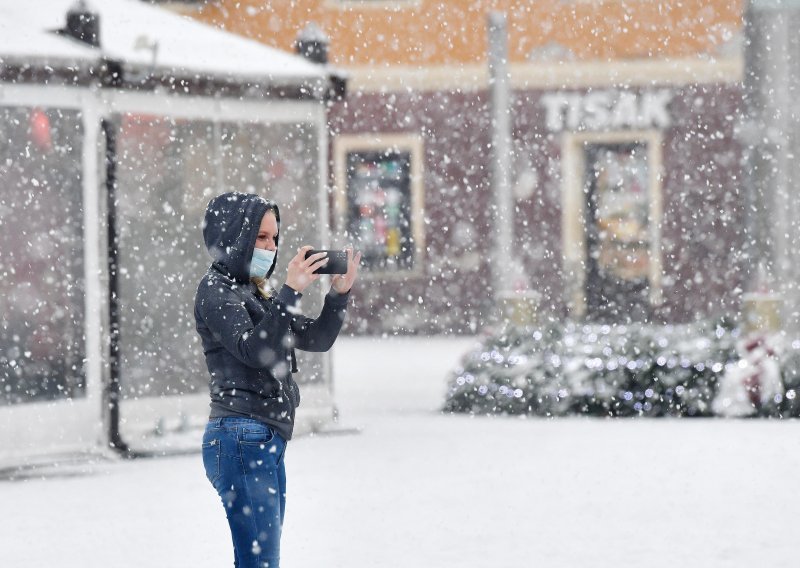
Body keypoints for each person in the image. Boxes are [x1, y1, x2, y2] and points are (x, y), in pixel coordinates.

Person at [194, 191, 360, 568]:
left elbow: (316, 338)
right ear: (233, 236)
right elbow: (254, 349)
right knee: (259, 563)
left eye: (274, 238)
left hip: (263, 438)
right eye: (260, 237)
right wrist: (291, 291)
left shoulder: (258, 291)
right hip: (240, 437)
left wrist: (338, 295)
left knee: (262, 562)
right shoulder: (217, 292)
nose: (270, 247)